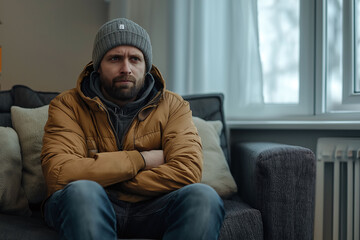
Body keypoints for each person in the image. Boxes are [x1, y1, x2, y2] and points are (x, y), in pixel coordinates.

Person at [41, 18, 225, 240]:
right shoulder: (67, 105)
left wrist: (104, 174)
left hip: (152, 206)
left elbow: (187, 171)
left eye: (135, 59)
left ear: (146, 66)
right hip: (88, 203)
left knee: (203, 196)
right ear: (98, 65)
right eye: (115, 58)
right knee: (83, 191)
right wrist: (142, 160)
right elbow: (59, 174)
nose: (126, 69)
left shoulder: (174, 105)